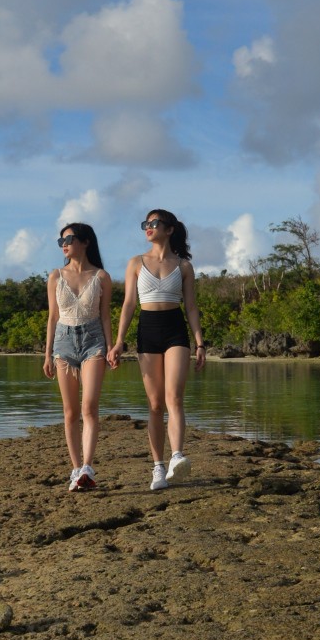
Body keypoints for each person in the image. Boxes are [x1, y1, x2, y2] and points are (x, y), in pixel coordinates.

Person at [110, 208, 205, 490]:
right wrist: (118, 341)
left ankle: (177, 456)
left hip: (175, 329)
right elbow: (128, 305)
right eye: (145, 224)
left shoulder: (184, 266)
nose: (148, 228)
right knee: (154, 404)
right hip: (148, 329)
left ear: (169, 229)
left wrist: (200, 343)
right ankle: (158, 468)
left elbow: (191, 307)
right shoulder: (135, 263)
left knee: (174, 397)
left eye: (154, 223)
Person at [43, 222, 114, 491]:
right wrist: (47, 354)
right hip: (63, 343)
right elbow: (52, 317)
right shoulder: (55, 276)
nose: (64, 244)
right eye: (61, 240)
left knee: (89, 407)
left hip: (94, 341)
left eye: (70, 239)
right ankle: (75, 471)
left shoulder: (101, 277)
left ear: (85, 242)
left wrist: (110, 348)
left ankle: (88, 467)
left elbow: (106, 316)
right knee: (71, 411)